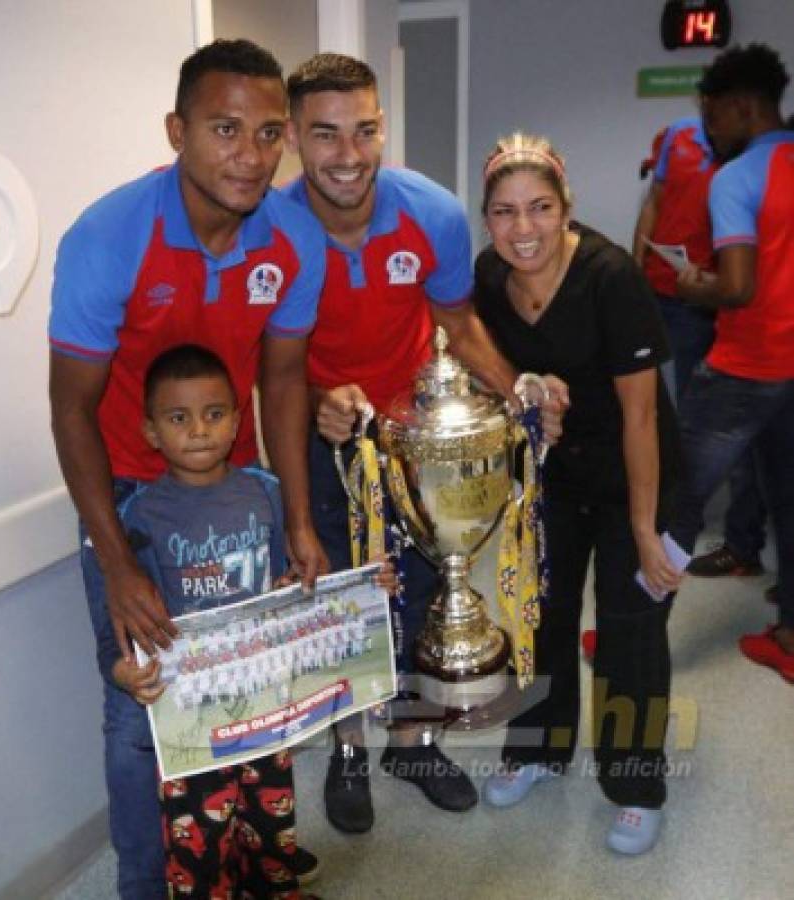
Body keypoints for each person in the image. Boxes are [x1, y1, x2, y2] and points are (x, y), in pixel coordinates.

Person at [48, 40, 325, 898]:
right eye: (225, 129)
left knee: (247, 692)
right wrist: (120, 563)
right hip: (132, 500)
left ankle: (241, 866)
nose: (251, 155)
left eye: (268, 132)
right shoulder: (108, 236)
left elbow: (282, 382)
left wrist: (297, 521)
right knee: (142, 711)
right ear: (177, 131)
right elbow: (71, 408)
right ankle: (144, 885)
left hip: (237, 492)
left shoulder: (294, 239)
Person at [281, 53, 568, 834]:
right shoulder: (269, 228)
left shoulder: (430, 210)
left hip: (415, 444)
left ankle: (412, 739)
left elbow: (459, 322)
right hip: (323, 440)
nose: (349, 154)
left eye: (365, 130)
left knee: (421, 588)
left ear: (382, 127)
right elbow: (262, 363)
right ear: (294, 140)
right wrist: (316, 401)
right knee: (342, 602)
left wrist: (517, 395)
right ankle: (347, 751)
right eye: (326, 134)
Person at [474, 132, 682, 855]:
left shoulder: (607, 275)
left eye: (538, 208)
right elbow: (489, 368)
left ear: (566, 207)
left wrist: (648, 530)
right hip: (553, 480)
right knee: (540, 621)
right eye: (503, 212)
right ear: (486, 218)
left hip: (640, 476)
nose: (521, 228)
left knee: (629, 632)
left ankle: (633, 785)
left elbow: (640, 414)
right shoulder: (487, 277)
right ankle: (536, 750)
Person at [94, 345, 319, 899]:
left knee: (272, 828)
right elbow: (120, 622)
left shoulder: (266, 493)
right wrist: (124, 673)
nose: (199, 430)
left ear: (238, 420)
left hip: (264, 705)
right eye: (178, 418)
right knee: (200, 844)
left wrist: (303, 593)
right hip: (189, 722)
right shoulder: (138, 516)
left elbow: (281, 585)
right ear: (151, 431)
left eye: (214, 414)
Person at [673, 44, 794, 683]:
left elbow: (739, 287)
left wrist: (696, 286)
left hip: (745, 368)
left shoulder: (738, 177)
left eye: (714, 116)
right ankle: (791, 638)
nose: (710, 129)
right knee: (791, 502)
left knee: (676, 499)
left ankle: (631, 639)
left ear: (743, 108)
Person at [634, 114, 768, 582]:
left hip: (735, 317)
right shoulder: (677, 136)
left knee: (722, 443)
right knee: (681, 420)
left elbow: (744, 275)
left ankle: (737, 544)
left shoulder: (752, 166)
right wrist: (636, 269)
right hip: (672, 295)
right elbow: (653, 202)